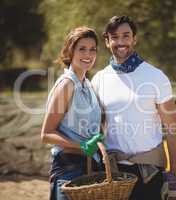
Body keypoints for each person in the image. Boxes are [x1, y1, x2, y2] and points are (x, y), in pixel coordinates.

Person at [91, 16, 176, 200]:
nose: (121, 42)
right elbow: (97, 128)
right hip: (112, 173)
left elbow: (172, 129)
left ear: (134, 39)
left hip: (148, 172)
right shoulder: (99, 79)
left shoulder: (155, 77)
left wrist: (174, 174)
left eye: (126, 36)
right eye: (115, 37)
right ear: (107, 42)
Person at [41, 26, 105, 200]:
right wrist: (82, 146)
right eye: (82, 49)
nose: (88, 54)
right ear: (71, 51)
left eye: (93, 49)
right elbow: (46, 134)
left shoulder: (88, 85)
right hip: (69, 169)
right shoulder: (67, 84)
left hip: (90, 167)